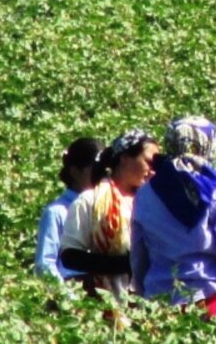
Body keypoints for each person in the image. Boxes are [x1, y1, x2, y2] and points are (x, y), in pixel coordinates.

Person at [130, 117, 216, 323]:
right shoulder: (215, 187)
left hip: (159, 299)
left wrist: (140, 289)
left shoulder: (146, 192)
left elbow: (139, 250)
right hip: (207, 295)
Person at [60, 129, 160, 305]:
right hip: (105, 300)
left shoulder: (154, 203)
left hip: (151, 298)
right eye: (148, 162)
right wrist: (120, 264)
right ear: (124, 158)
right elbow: (70, 256)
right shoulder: (90, 201)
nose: (152, 171)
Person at [35, 137, 104, 281]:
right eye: (95, 170)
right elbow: (45, 264)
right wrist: (69, 297)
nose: (101, 176)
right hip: (74, 290)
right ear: (75, 172)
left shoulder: (109, 208)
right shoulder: (57, 212)